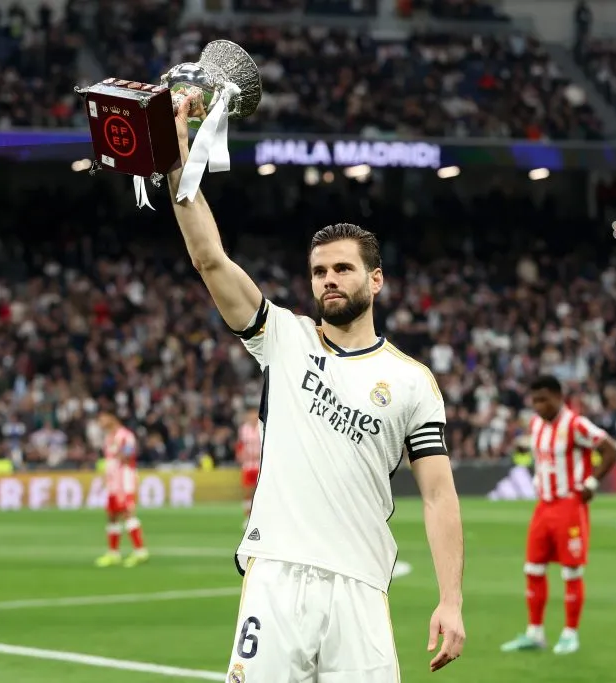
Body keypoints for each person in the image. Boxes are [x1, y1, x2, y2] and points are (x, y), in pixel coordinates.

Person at [167, 95, 465, 681]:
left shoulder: (412, 381)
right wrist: (179, 163)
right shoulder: (283, 337)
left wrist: (450, 599)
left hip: (360, 585)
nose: (329, 280)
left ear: (375, 280)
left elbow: (438, 495)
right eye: (319, 272)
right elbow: (209, 258)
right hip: (276, 574)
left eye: (343, 269)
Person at [500, 375, 616, 655]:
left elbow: (611, 450)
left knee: (571, 571)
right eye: (534, 401)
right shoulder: (536, 425)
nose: (538, 406)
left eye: (543, 400)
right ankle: (535, 633)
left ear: (558, 397)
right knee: (533, 568)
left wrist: (592, 483)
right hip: (543, 504)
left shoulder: (576, 424)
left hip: (569, 505)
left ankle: (570, 634)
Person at [94, 411, 149, 567]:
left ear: (112, 418)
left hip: (125, 480)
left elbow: (128, 455)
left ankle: (140, 552)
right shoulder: (108, 437)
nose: (100, 423)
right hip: (113, 481)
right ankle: (113, 553)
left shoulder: (125, 436)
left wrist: (115, 458)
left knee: (127, 513)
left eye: (102, 419)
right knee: (112, 515)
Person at [236, 405, 262, 530]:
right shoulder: (244, 429)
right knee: (247, 492)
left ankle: (260, 517)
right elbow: (240, 444)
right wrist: (239, 454)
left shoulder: (262, 427)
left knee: (260, 492)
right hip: (247, 465)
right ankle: (248, 518)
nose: (252, 416)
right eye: (250, 414)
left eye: (254, 413)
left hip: (260, 464)